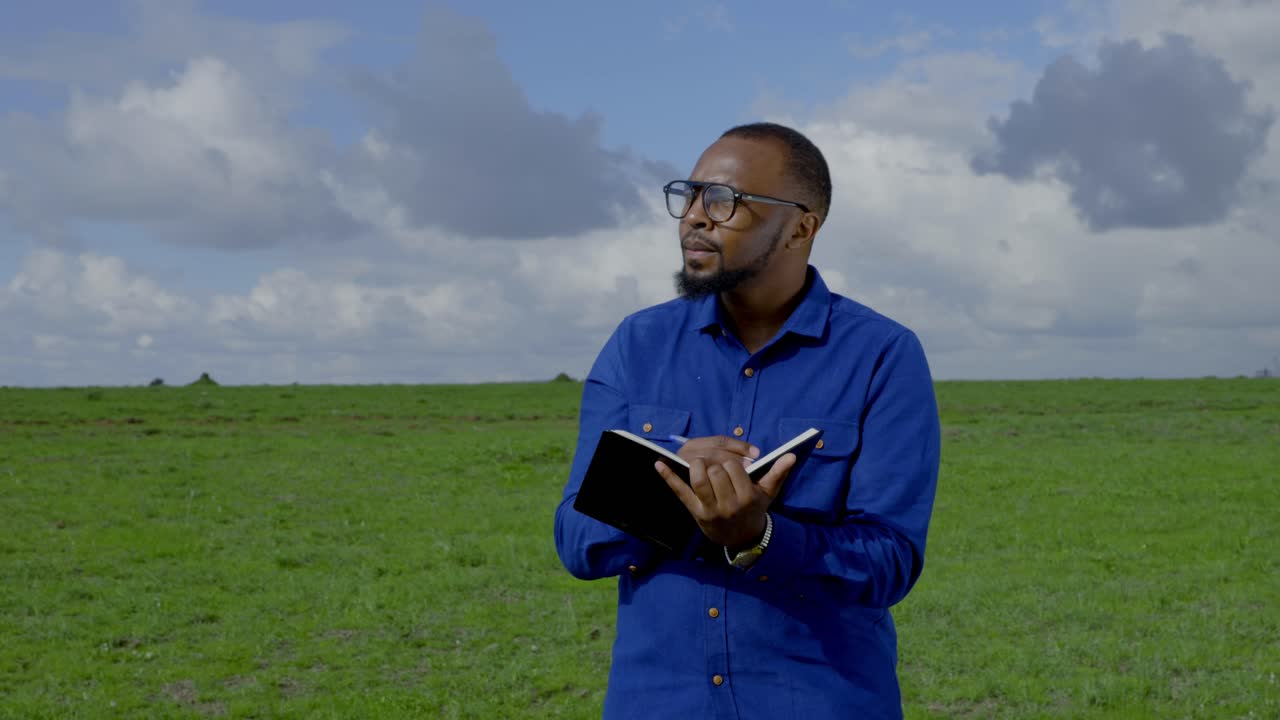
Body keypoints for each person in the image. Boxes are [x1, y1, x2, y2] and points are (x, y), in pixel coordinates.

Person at [554, 122, 941, 719]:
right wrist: (673, 492)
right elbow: (577, 543)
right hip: (657, 704)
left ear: (801, 226)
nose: (695, 218)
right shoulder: (638, 345)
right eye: (689, 195)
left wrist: (760, 538)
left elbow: (889, 561)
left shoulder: (882, 356)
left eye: (724, 200)